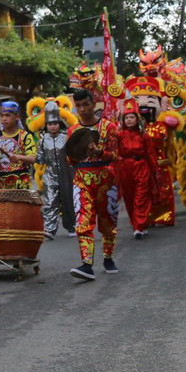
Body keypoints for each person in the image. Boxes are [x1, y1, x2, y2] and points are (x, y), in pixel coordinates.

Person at [67, 89, 120, 281]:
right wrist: (75, 155)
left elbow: (115, 155)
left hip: (106, 179)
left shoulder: (109, 127)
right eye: (78, 105)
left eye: (85, 104)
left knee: (108, 222)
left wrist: (99, 153)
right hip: (82, 180)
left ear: (94, 104)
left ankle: (108, 257)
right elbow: (70, 159)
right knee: (83, 221)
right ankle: (87, 264)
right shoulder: (73, 131)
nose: (82, 109)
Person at [113, 99, 156, 239]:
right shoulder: (118, 136)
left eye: (132, 117)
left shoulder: (144, 136)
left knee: (141, 197)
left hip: (141, 167)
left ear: (137, 119)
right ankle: (136, 223)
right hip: (125, 169)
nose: (129, 120)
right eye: (127, 117)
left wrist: (155, 171)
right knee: (129, 198)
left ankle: (139, 225)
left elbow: (151, 154)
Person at [35, 102, 75, 239]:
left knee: (69, 200)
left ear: (60, 124)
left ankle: (72, 226)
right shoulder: (42, 141)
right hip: (50, 175)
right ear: (46, 125)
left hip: (67, 174)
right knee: (50, 201)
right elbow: (39, 159)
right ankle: (50, 229)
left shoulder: (66, 138)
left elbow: (72, 155)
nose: (53, 126)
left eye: (55, 123)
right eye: (50, 124)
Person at [0, 100, 38, 190]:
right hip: (4, 183)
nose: (4, 119)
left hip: (22, 182)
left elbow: (33, 158)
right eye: (2, 115)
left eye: (8, 115)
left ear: (17, 116)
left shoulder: (25, 136)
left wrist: (19, 157)